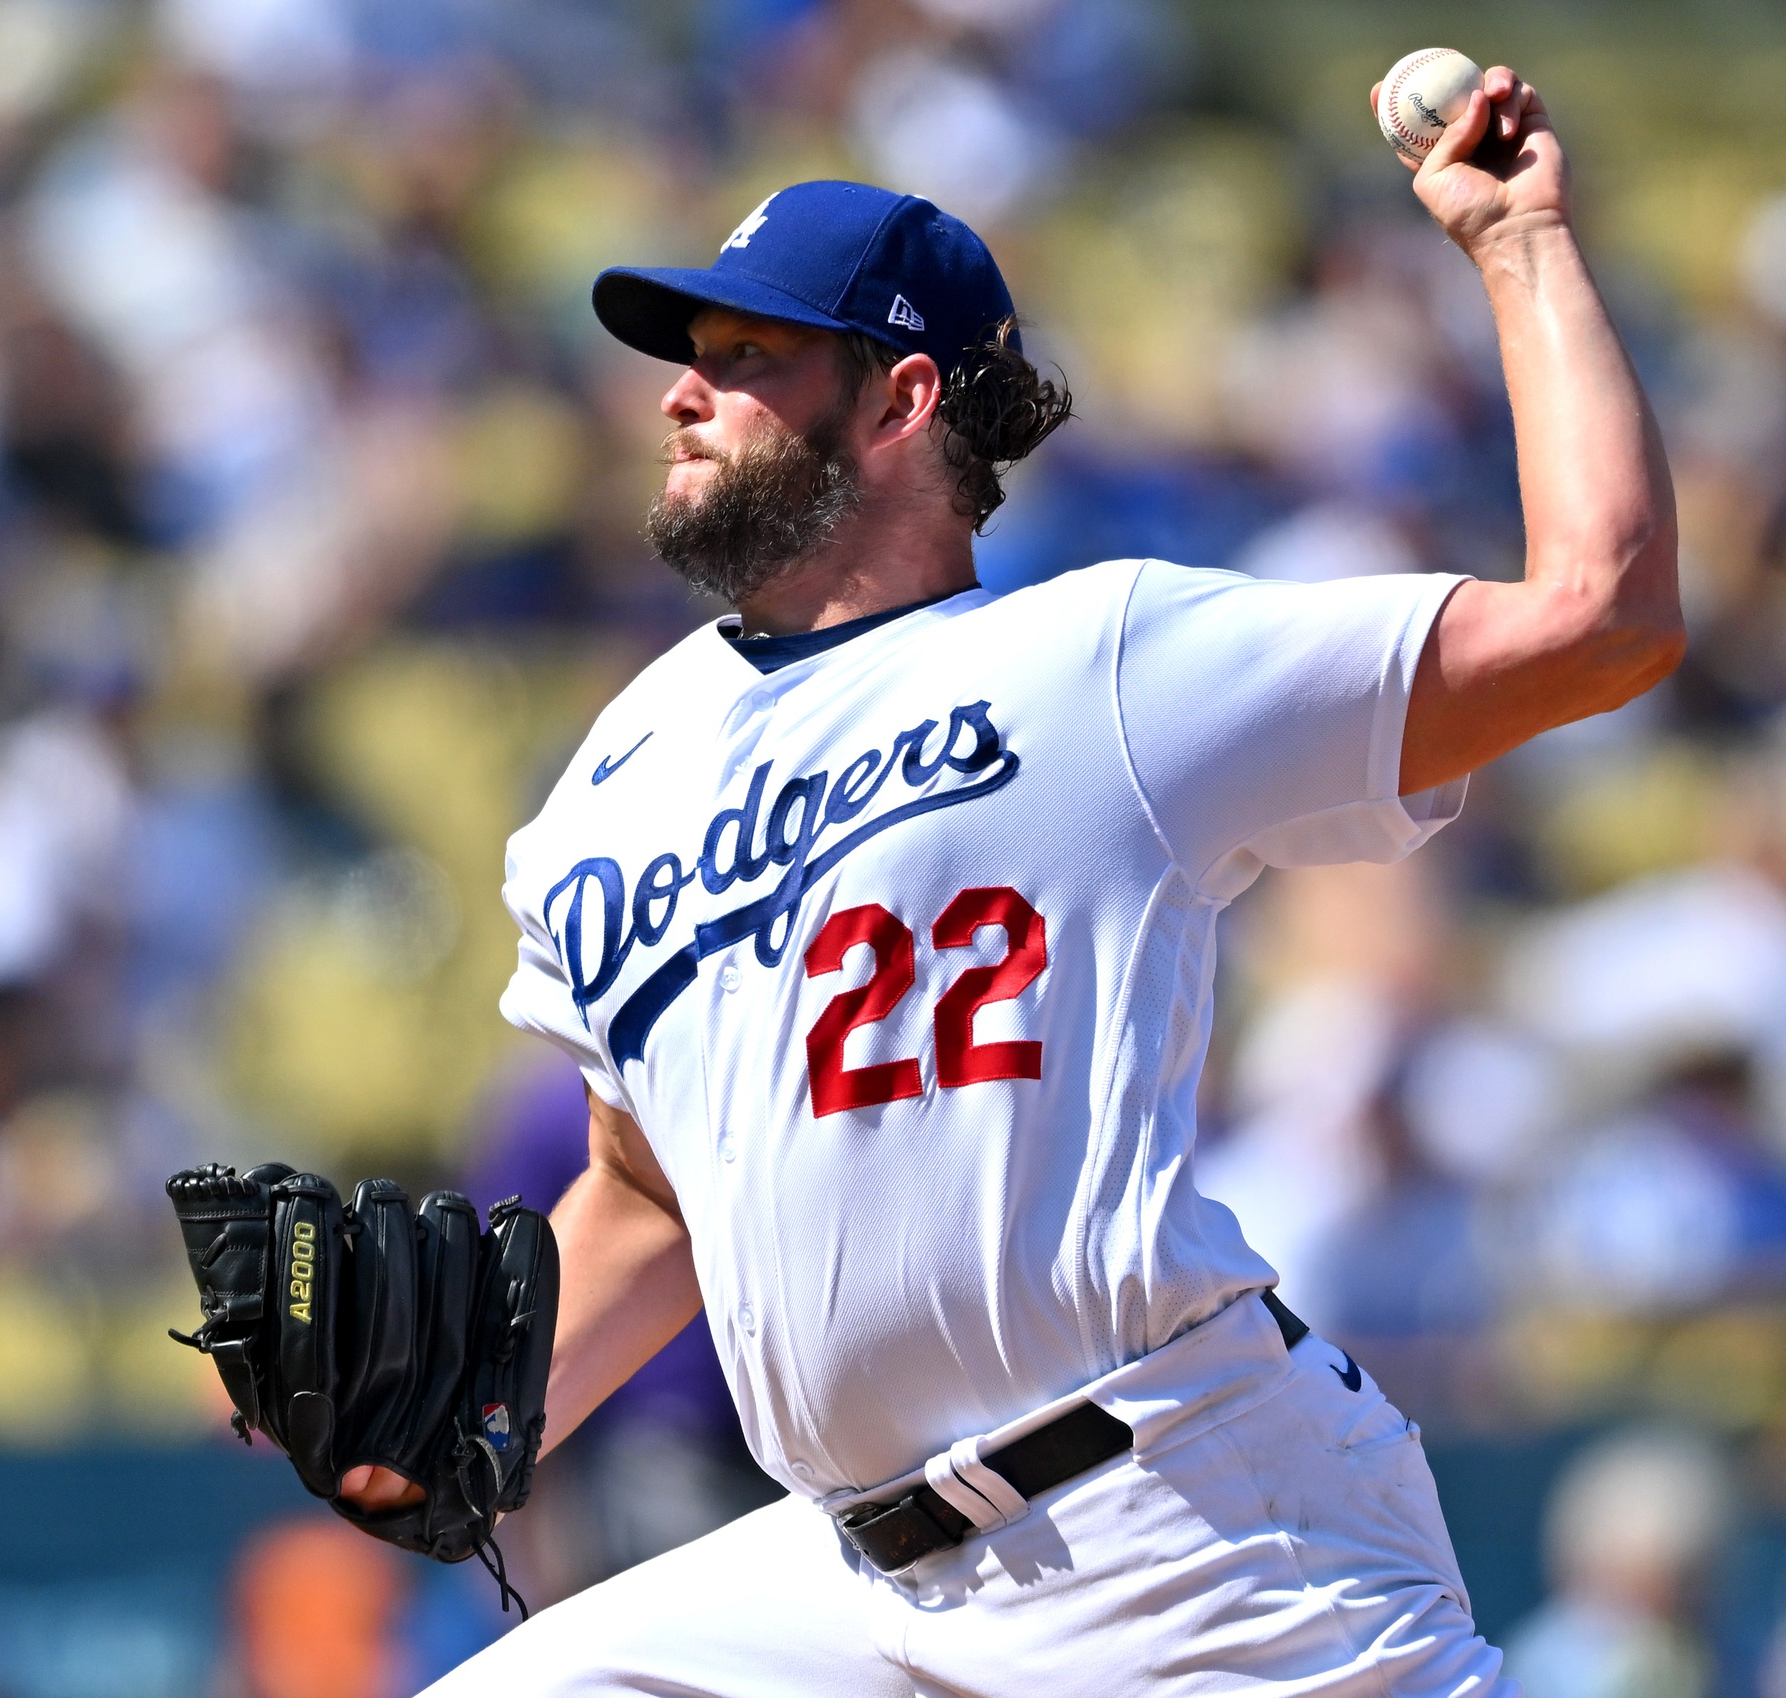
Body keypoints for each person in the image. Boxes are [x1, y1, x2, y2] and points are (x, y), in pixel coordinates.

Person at [352, 63, 1679, 1696]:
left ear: (902, 404)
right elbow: (648, 1189)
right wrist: (469, 1418)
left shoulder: (1108, 662)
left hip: (1179, 1532)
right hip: (844, 1573)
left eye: (748, 357)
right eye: (690, 362)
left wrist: (1520, 242)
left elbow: (1601, 612)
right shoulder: (625, 765)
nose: (685, 395)